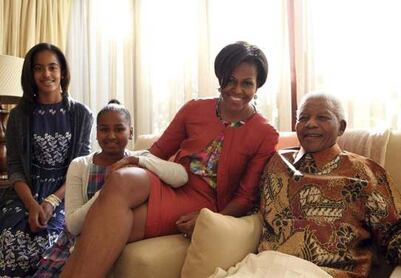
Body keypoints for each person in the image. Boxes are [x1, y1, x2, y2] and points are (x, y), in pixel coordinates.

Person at [60, 41, 279, 277]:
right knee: (122, 178)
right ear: (220, 79)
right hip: (173, 180)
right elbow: (157, 153)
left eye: (247, 83)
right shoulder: (194, 109)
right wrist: (135, 162)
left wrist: (211, 220)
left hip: (202, 201)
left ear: (257, 86)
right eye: (230, 80)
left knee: (100, 229)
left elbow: (245, 197)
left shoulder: (265, 133)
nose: (237, 89)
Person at [256, 92, 401, 277]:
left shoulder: (363, 173)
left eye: (322, 117)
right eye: (303, 118)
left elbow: (399, 227)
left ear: (341, 127)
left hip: (327, 273)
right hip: (265, 268)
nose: (310, 124)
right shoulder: (277, 162)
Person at [33, 100, 188, 277]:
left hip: (117, 238)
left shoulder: (141, 158)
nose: (111, 135)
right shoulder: (80, 165)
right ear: (97, 133)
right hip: (77, 244)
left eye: (119, 129)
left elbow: (181, 176)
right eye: (104, 129)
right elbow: (74, 225)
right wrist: (111, 189)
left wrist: (138, 161)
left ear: (131, 132)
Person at [0, 43, 93, 277]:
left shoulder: (82, 114)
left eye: (52, 67)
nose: (47, 74)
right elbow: (14, 168)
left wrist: (52, 201)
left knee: (51, 242)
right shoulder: (18, 116)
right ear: (31, 74)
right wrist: (32, 204)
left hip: (66, 194)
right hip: (25, 194)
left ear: (62, 72)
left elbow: (81, 167)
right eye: (39, 68)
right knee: (10, 238)